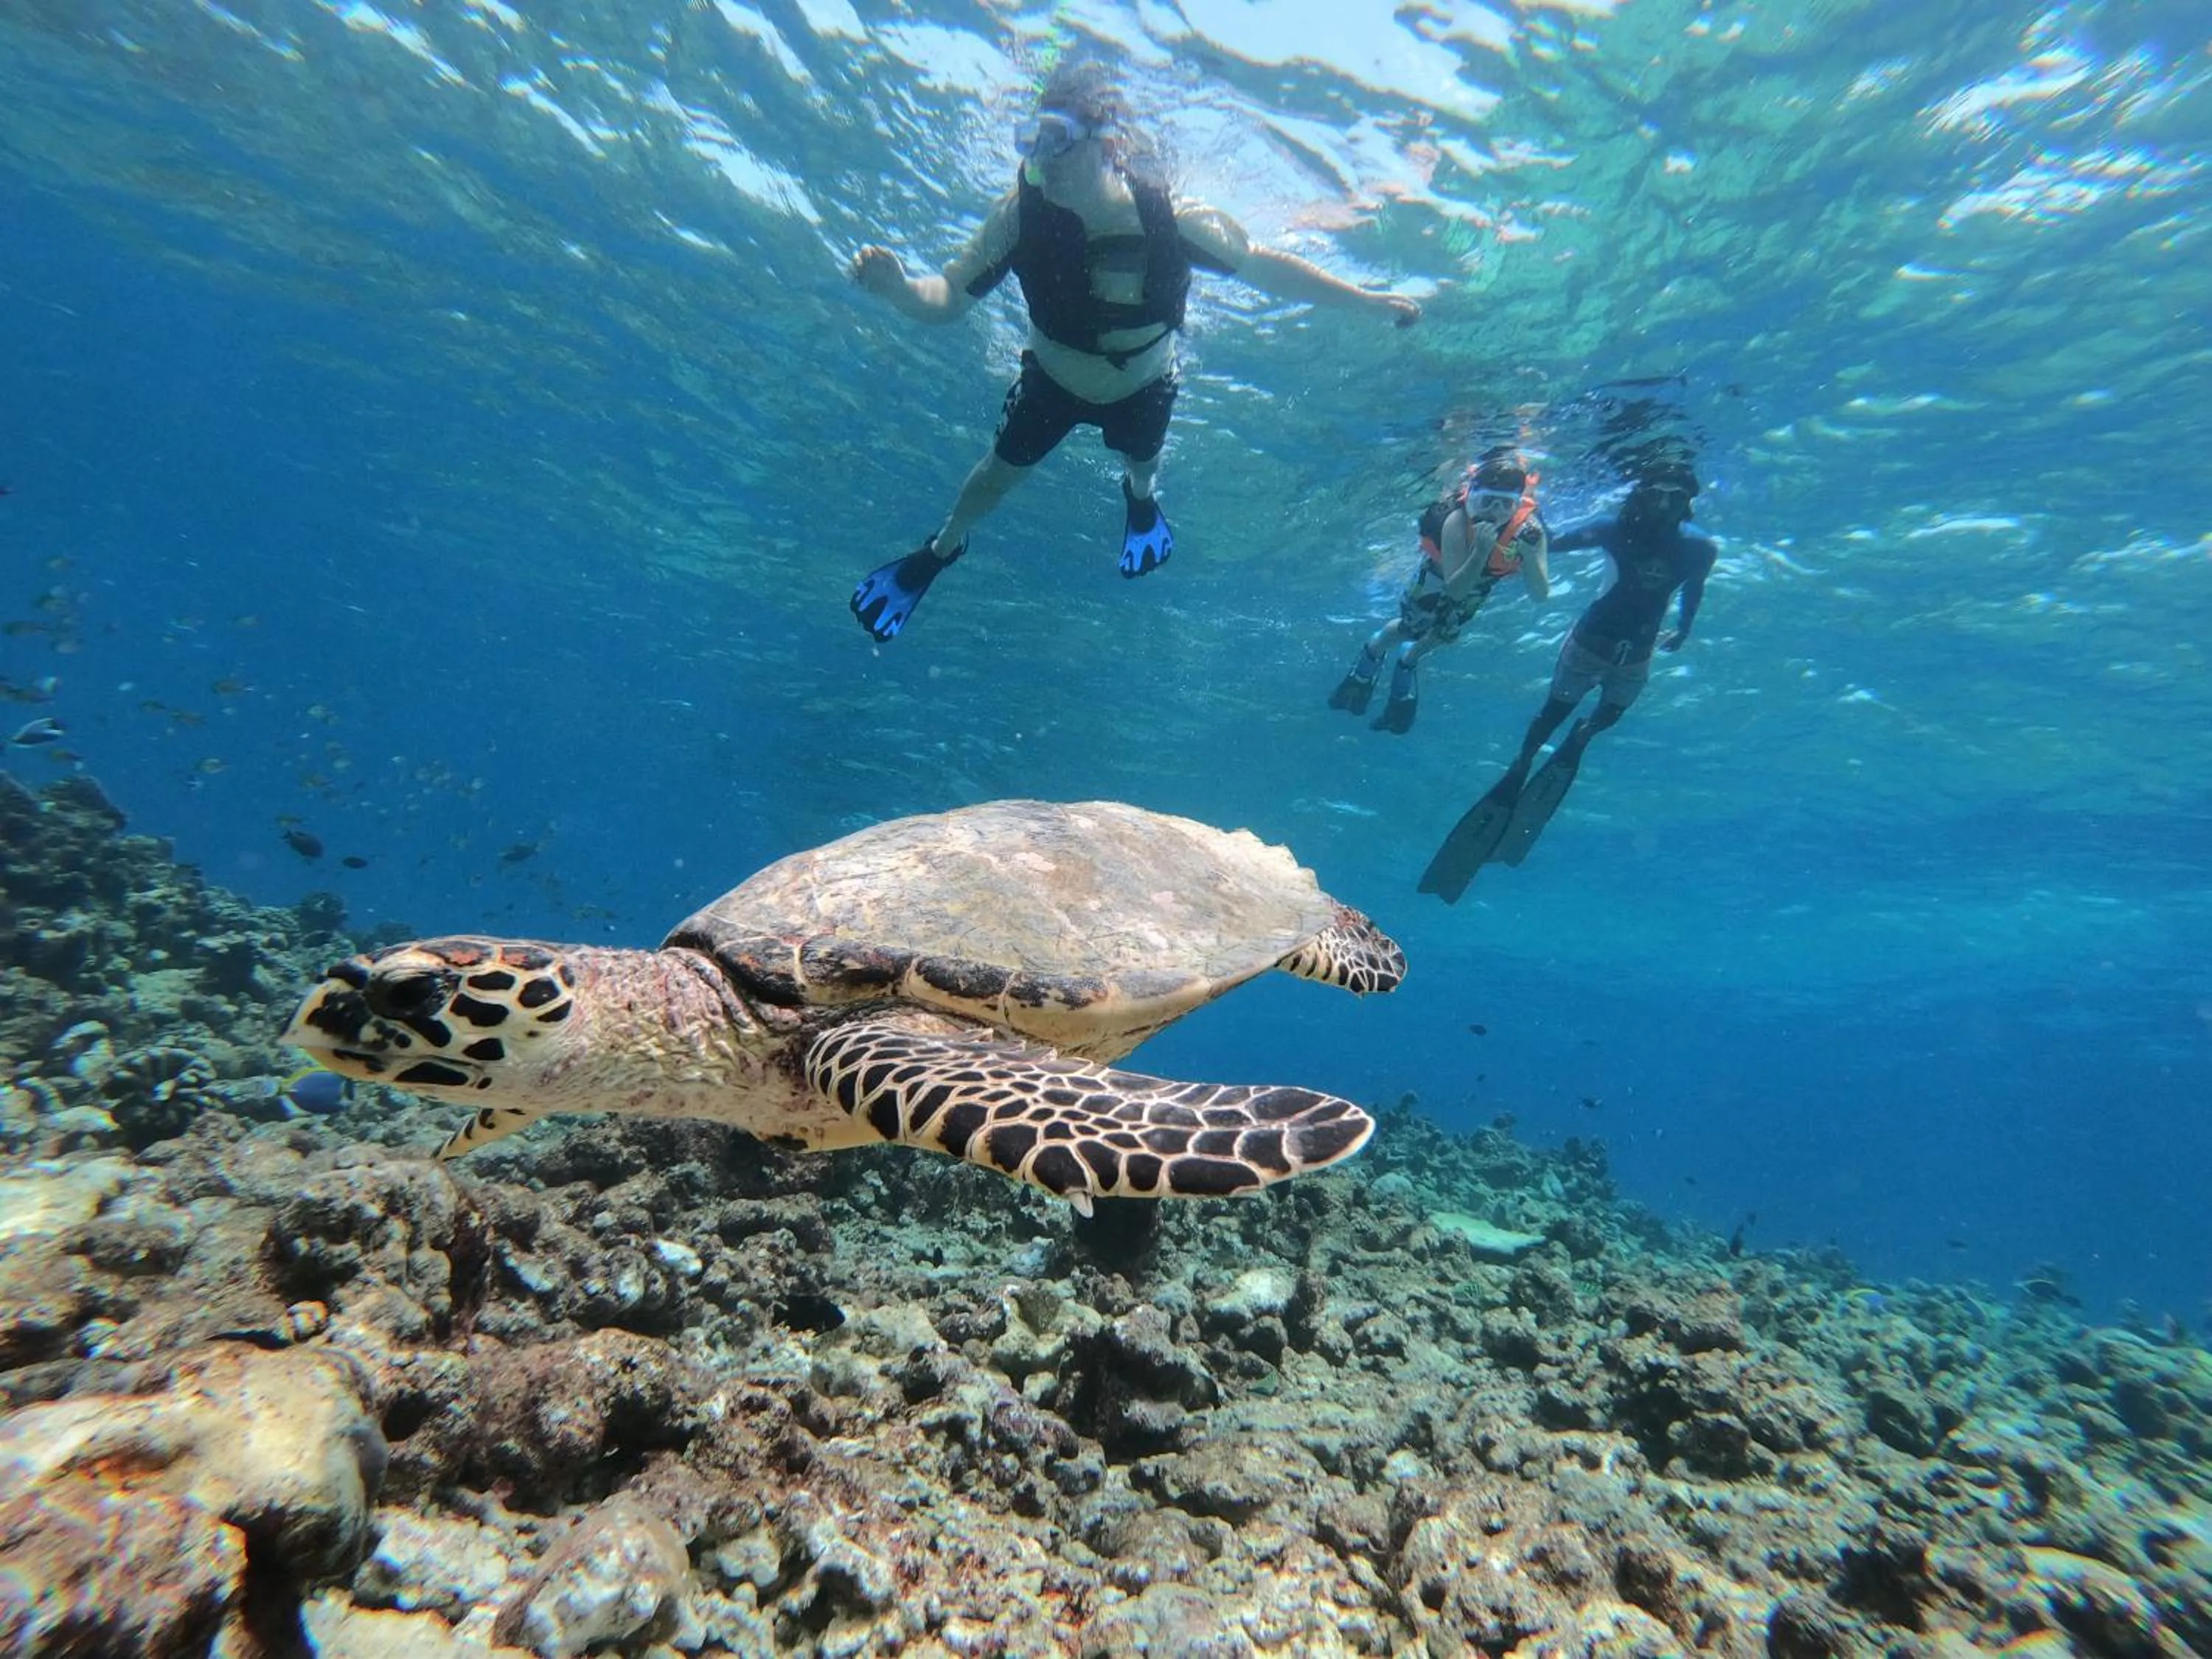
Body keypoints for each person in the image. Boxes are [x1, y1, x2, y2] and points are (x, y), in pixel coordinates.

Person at [846, 61, 1423, 641]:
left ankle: (1141, 501)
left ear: (1108, 143)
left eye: (1059, 139)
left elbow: (1264, 267)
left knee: (1143, 466)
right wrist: (899, 290)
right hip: (1052, 380)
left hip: (1146, 385)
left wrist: (1367, 300)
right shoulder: (1018, 217)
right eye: (1033, 141)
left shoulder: (1169, 215)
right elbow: (948, 298)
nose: (1044, 157)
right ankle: (940, 550)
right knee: (994, 479)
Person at [1419, 456, 1716, 900]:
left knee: (1606, 716)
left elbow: (1694, 587)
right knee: (1552, 713)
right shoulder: (1613, 529)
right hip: (1589, 645)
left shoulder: (1699, 548)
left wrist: (1686, 627)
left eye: (1678, 497)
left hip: (1635, 655)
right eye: (1658, 493)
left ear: (1690, 502)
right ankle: (1524, 761)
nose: (1667, 504)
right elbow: (1548, 543)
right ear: (1641, 494)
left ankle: (1579, 739)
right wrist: (1508, 538)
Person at [1327, 448, 1551, 734]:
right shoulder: (1457, 521)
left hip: (1480, 583)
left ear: (1517, 504)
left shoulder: (1529, 530)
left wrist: (1530, 555)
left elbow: (1540, 595)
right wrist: (1482, 551)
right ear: (1471, 497)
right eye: (1486, 502)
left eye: (1505, 505)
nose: (1494, 513)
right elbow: (1454, 589)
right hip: (1437, 577)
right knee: (1412, 627)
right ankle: (1376, 646)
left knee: (1446, 634)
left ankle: (1408, 660)